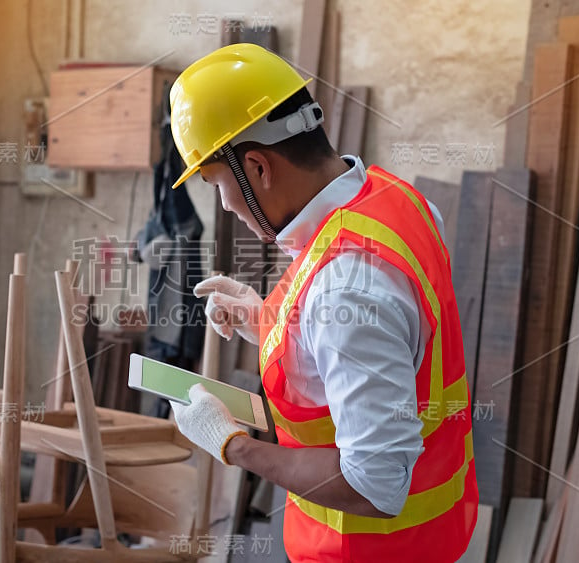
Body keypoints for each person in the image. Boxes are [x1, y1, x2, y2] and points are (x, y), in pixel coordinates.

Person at [168, 43, 477, 562]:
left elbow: (373, 486)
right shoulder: (394, 200)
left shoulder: (348, 285)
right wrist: (262, 318)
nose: (224, 206)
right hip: (432, 538)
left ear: (259, 168)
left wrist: (234, 445)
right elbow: (388, 348)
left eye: (217, 184)